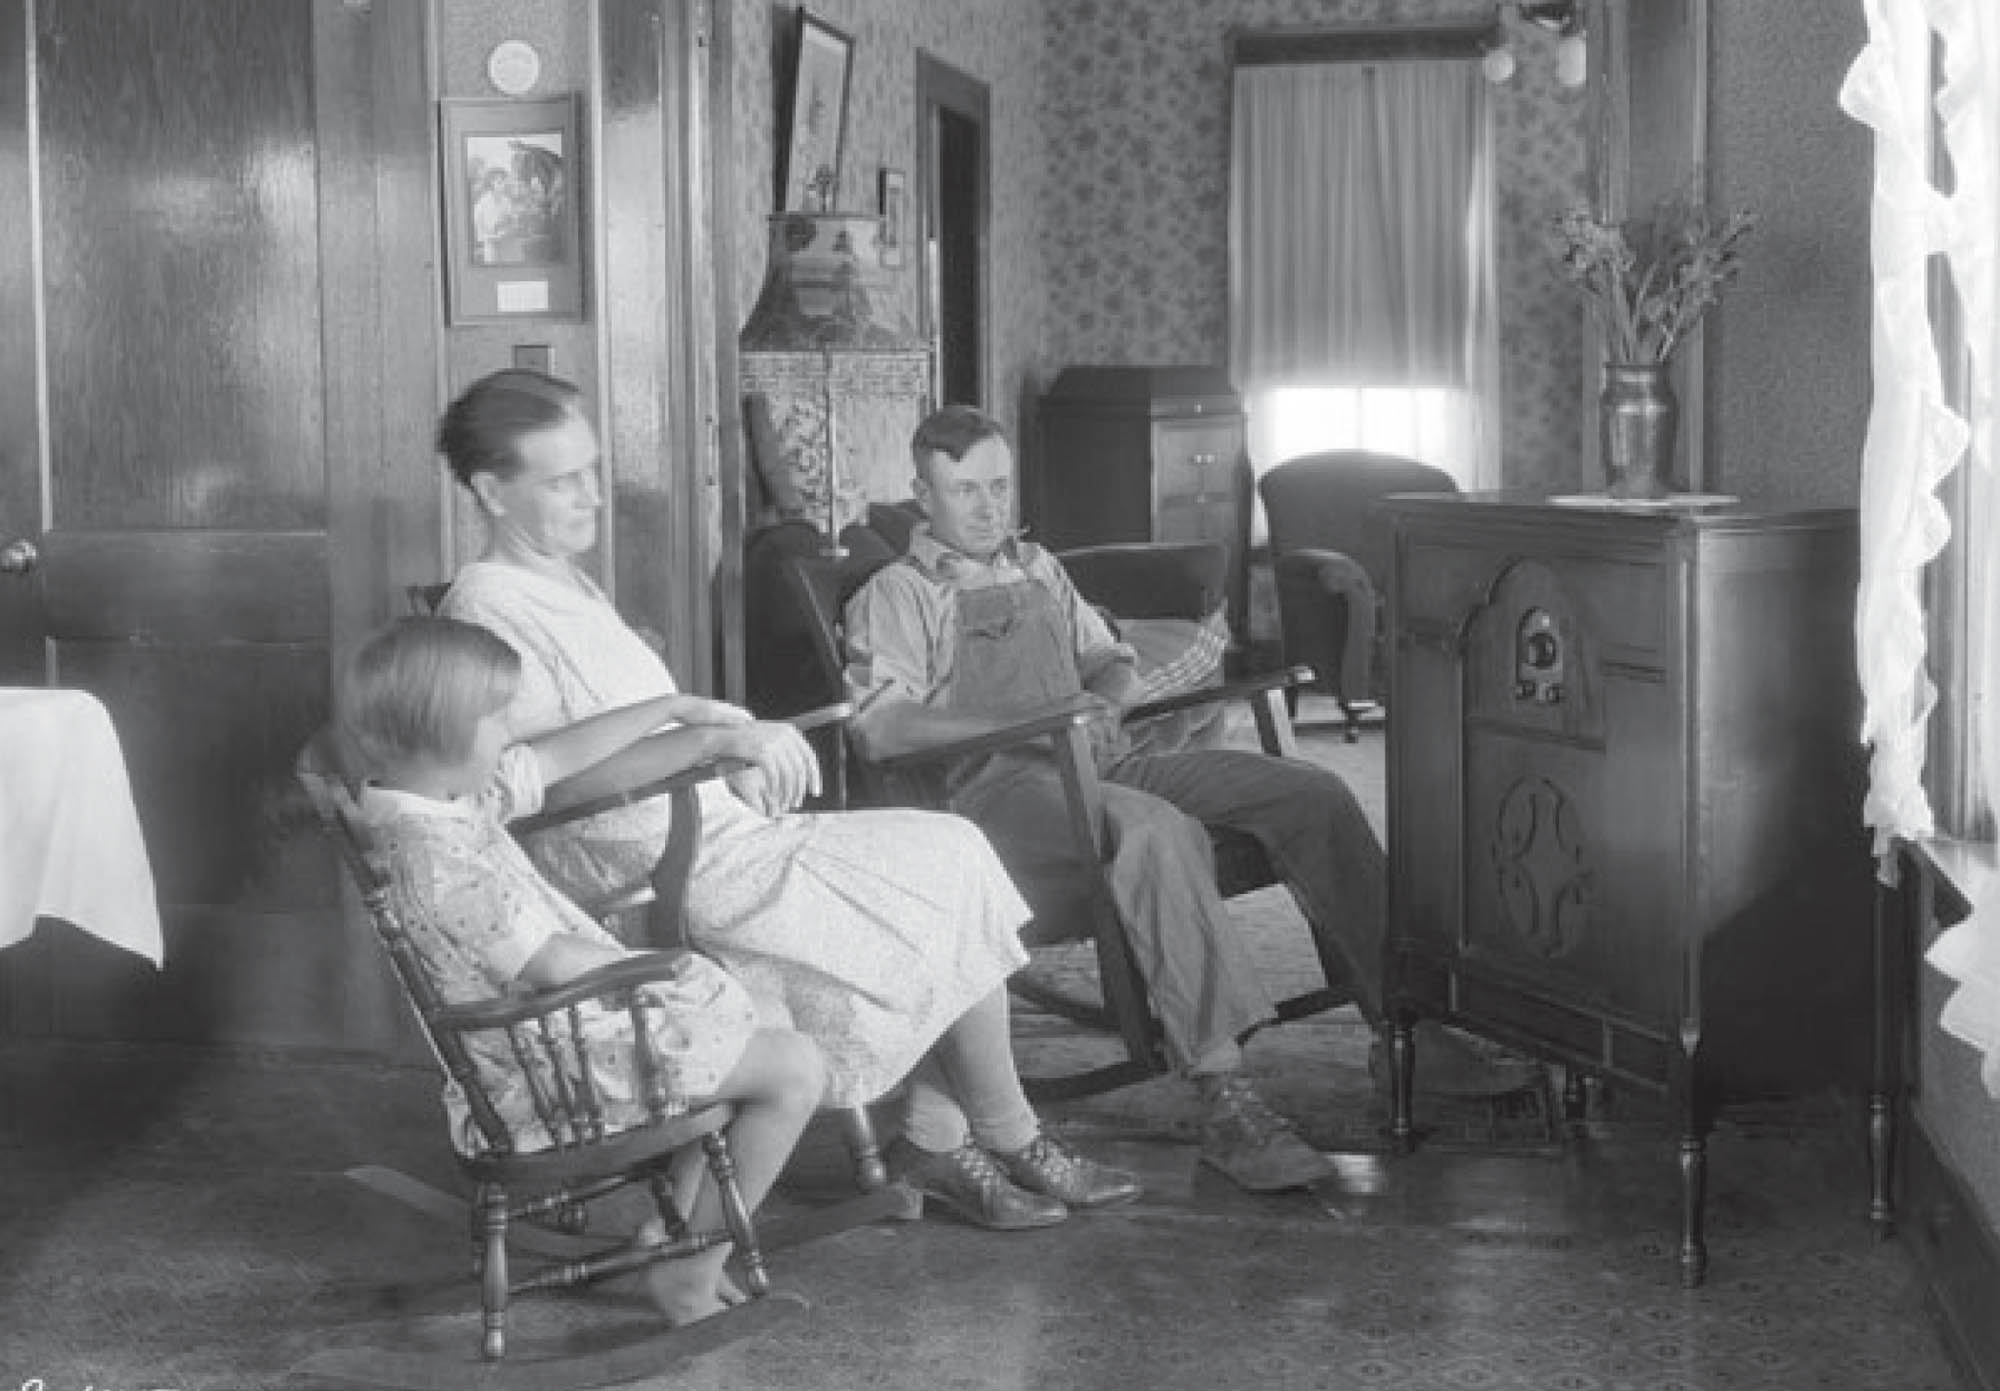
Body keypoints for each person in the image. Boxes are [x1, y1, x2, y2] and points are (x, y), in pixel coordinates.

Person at [432, 367, 1139, 1233]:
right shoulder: (485, 608)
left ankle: (947, 1132)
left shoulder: (566, 583)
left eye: (593, 470)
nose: (593, 498)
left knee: (950, 853)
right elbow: (536, 791)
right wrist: (707, 745)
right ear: (489, 490)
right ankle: (1001, 1132)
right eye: (562, 480)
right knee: (946, 859)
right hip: (646, 862)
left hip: (703, 819)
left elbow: (619, 737)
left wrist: (726, 763)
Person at [843, 404, 1529, 1194]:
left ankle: (1403, 1027)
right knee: (1157, 830)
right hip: (998, 794)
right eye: (965, 491)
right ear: (921, 495)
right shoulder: (897, 593)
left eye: (999, 485)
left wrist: (1105, 695)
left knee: (1311, 792)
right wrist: (1029, 720)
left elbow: (1114, 660)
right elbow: (881, 730)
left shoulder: (1037, 567)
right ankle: (1224, 1095)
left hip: (1101, 761)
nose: (990, 507)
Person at [334, 614, 821, 1325]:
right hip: (544, 1076)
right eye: (496, 720)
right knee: (796, 1069)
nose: (508, 734)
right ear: (446, 735)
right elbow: (551, 962)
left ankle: (673, 1233)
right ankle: (692, 1271)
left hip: (557, 1040)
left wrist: (675, 709)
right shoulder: (437, 859)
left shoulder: (436, 801)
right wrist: (664, 966)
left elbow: (556, 755)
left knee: (765, 1018)